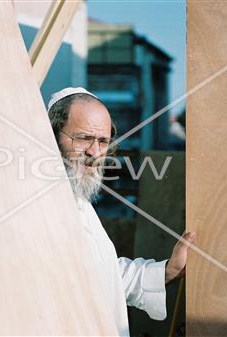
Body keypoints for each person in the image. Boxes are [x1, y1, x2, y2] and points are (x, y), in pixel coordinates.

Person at [47, 87, 196, 337]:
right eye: (83, 138)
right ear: (51, 137)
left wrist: (168, 269)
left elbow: (105, 276)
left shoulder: (78, 201)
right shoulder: (35, 208)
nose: (95, 152)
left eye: (103, 141)